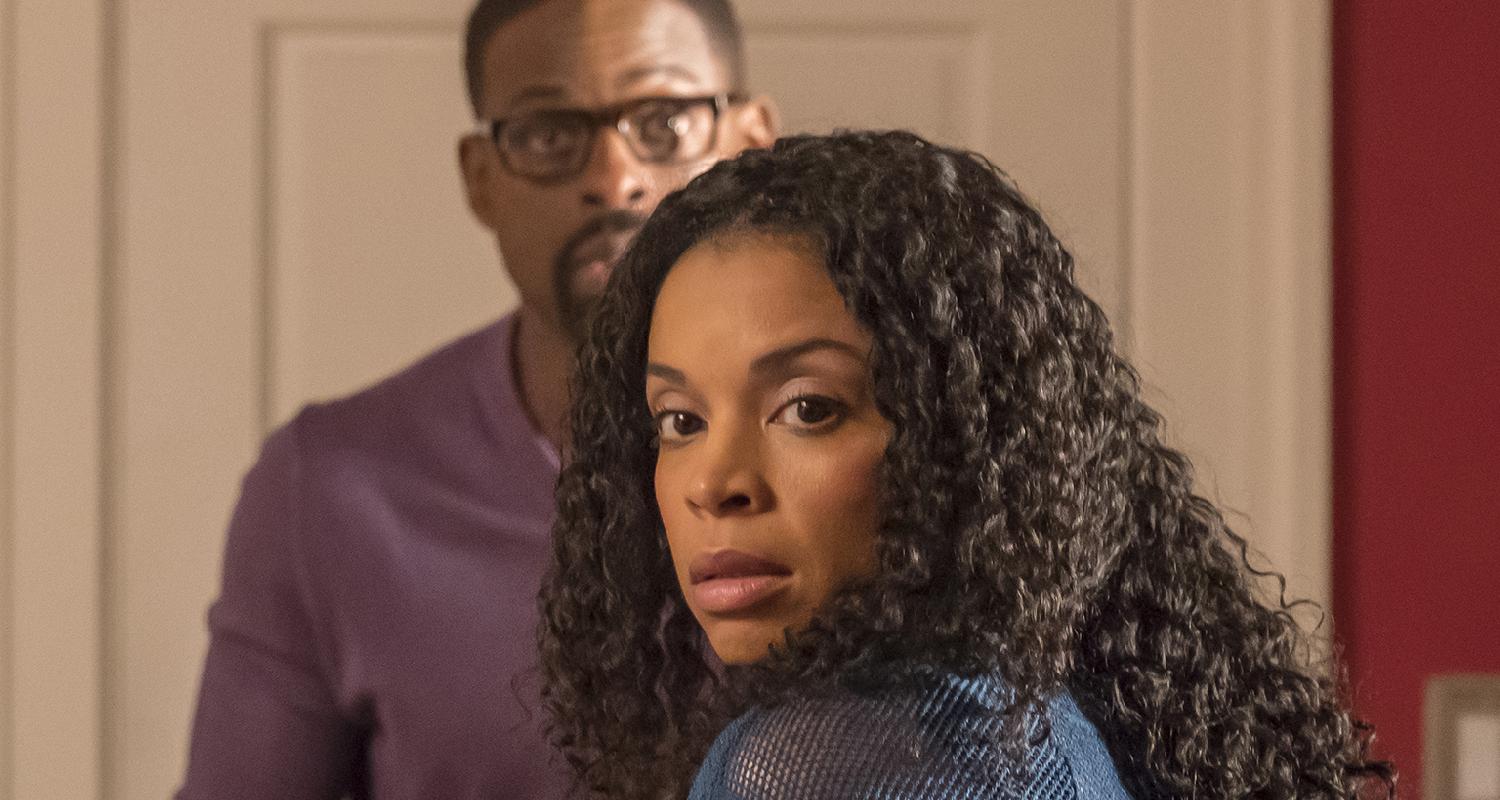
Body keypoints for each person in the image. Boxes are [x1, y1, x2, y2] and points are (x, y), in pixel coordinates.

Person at [539, 131, 1396, 799]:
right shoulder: (1048, 725)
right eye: (680, 421)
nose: (713, 484)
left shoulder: (801, 767)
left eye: (809, 409)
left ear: (962, 441)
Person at [176, 1, 776, 797]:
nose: (613, 179)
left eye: (665, 122)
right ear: (480, 179)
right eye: (549, 135)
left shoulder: (879, 449)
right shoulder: (333, 487)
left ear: (751, 146)